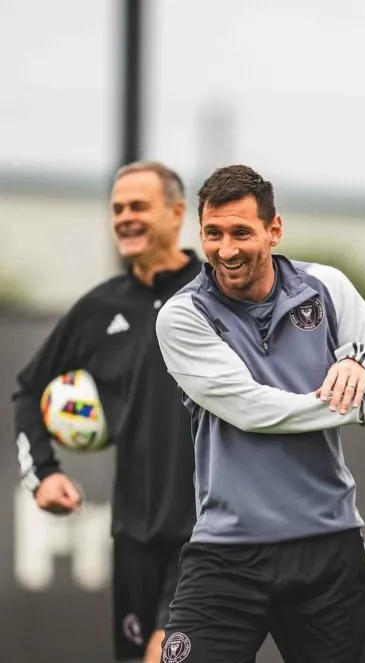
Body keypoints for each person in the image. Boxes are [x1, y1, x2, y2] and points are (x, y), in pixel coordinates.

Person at [154, 164, 365, 663]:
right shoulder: (182, 316)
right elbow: (252, 408)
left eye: (242, 232)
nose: (227, 249)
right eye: (213, 234)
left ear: (274, 230)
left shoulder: (325, 286)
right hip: (227, 555)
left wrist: (358, 361)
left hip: (328, 549)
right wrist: (364, 406)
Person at [13, 161, 203, 663]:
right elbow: (29, 389)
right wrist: (44, 476)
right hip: (134, 535)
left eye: (138, 206)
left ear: (176, 212)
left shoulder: (216, 296)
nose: (124, 218)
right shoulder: (99, 309)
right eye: (117, 208)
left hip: (210, 534)